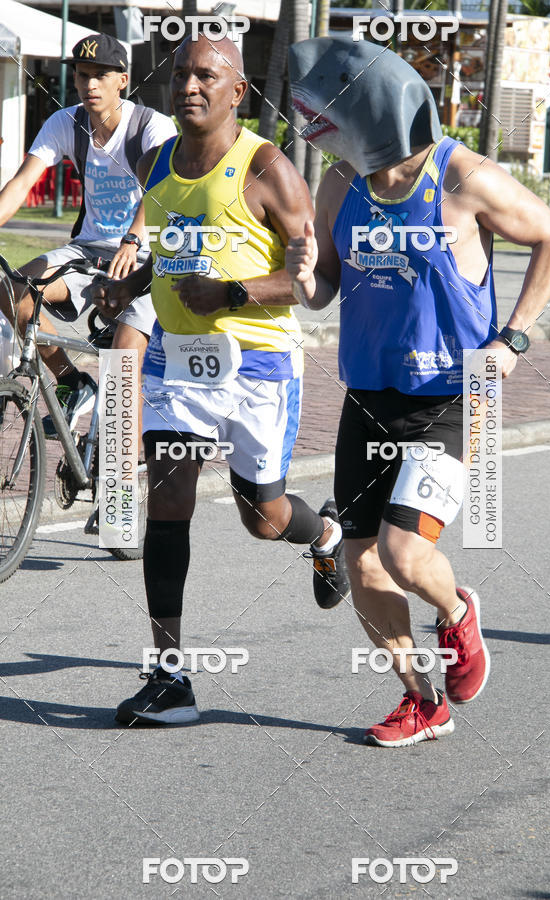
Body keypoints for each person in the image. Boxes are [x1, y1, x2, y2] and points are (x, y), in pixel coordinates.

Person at [285, 36, 550, 747]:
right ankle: (420, 701)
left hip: (455, 392)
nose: (323, 136)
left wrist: (514, 337)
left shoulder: (463, 177)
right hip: (369, 393)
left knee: (407, 555)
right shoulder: (340, 185)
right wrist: (302, 272)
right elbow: (324, 292)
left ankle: (457, 612)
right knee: (362, 558)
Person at [93, 34, 351, 725]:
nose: (189, 86)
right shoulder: (156, 162)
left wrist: (232, 295)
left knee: (262, 519)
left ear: (239, 91)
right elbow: (173, 255)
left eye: (207, 75)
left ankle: (322, 535)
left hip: (259, 368)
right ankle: (170, 675)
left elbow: (311, 283)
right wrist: (128, 290)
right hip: (179, 363)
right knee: (168, 498)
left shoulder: (268, 168)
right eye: (181, 74)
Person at [0, 32, 176, 437]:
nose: (89, 85)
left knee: (122, 367)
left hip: (146, 261)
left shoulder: (152, 126)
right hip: (87, 252)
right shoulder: (65, 123)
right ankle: (70, 382)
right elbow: (23, 182)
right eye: (82, 76)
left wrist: (133, 238)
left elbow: (161, 188)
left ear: (123, 80)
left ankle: (118, 487)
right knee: (13, 292)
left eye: (100, 75)